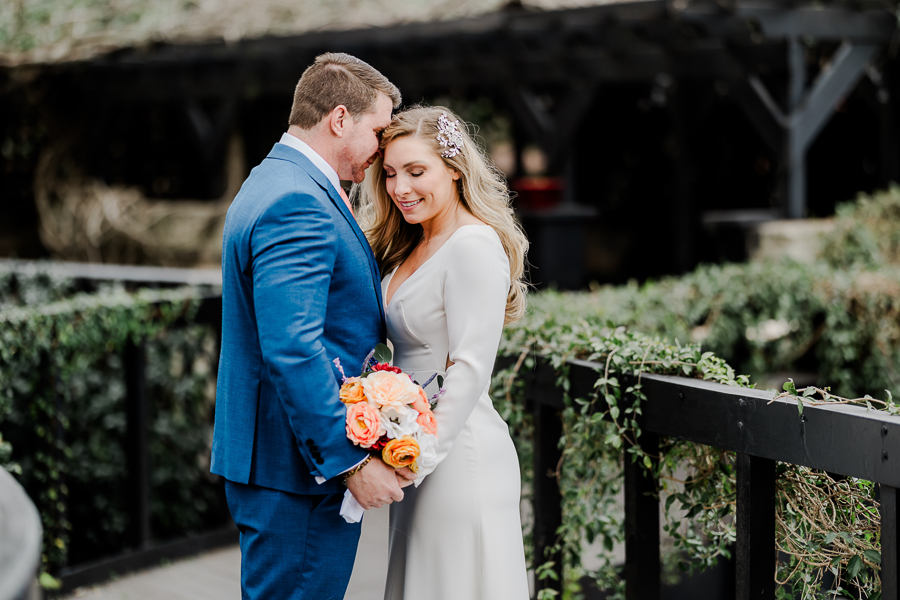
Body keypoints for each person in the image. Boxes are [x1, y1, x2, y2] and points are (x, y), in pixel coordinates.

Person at [210, 52, 414, 600]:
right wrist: (347, 461)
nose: (381, 149)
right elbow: (293, 348)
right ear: (339, 118)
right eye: (377, 130)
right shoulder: (297, 201)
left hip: (280, 463)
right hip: (296, 471)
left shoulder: (273, 179)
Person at [358, 106, 531, 599]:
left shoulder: (473, 245)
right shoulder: (412, 244)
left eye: (416, 171)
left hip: (457, 454)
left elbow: (471, 367)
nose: (400, 188)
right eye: (390, 173)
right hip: (415, 448)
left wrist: (416, 458)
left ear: (454, 169)